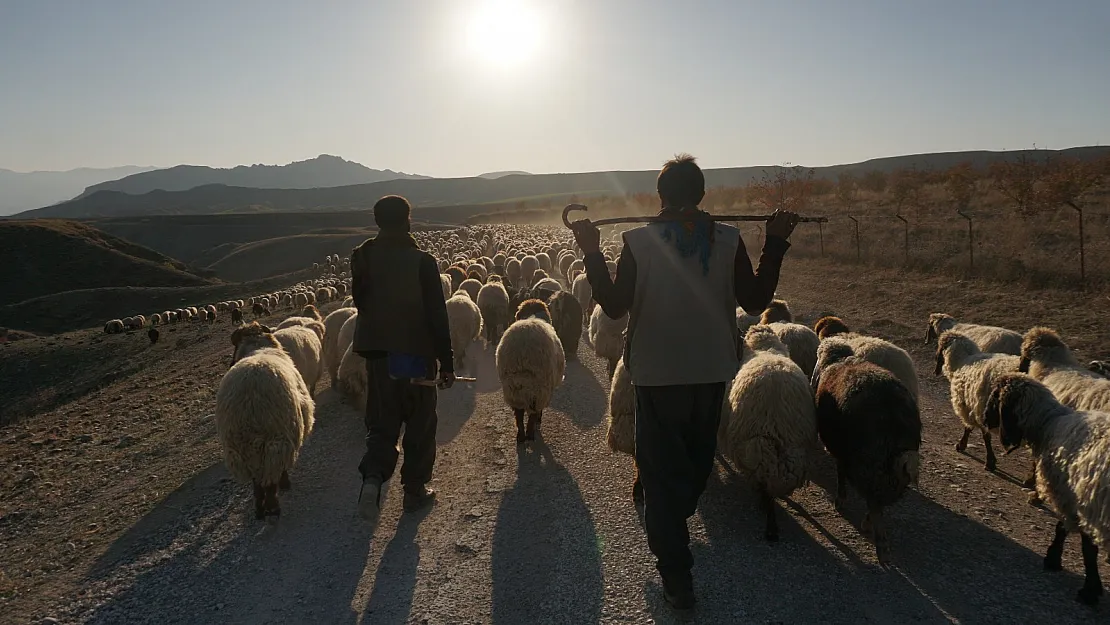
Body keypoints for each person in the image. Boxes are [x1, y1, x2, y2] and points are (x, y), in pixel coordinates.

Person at [570, 154, 798, 610]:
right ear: (701, 194)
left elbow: (613, 306)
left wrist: (592, 253)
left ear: (661, 197)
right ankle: (677, 573)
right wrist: (773, 244)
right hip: (708, 371)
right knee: (691, 467)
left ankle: (670, 530)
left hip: (659, 376)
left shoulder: (639, 242)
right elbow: (754, 301)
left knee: (670, 476)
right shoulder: (727, 240)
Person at [351, 195, 456, 529]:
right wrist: (447, 361)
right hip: (415, 355)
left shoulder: (361, 256)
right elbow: (438, 315)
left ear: (377, 221)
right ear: (408, 220)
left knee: (382, 424)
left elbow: (361, 302)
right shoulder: (423, 262)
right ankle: (414, 491)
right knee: (420, 423)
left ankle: (372, 479)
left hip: (379, 357)